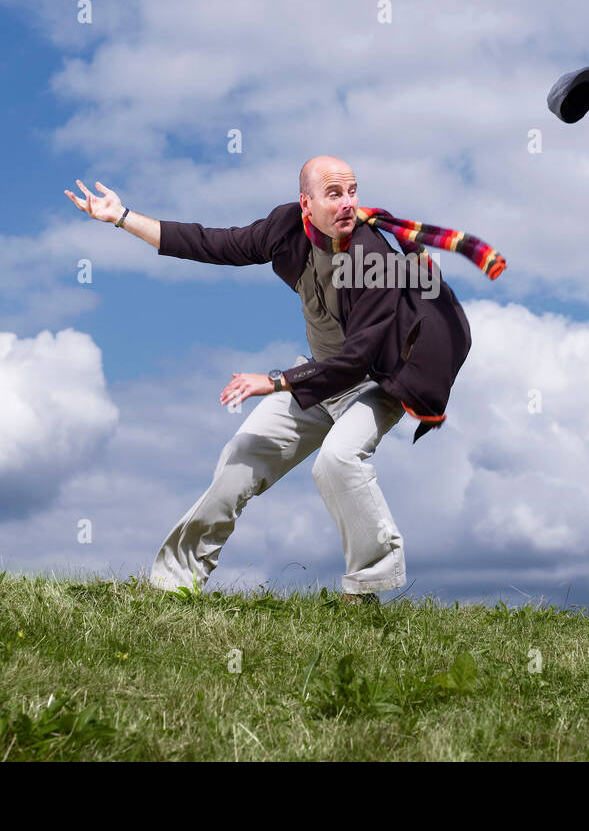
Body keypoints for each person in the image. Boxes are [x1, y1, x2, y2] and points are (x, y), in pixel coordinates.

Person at [64, 155, 502, 604]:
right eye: (334, 194)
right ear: (305, 204)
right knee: (240, 456)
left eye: (352, 192)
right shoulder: (285, 229)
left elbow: (356, 360)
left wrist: (274, 382)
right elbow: (214, 243)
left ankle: (367, 586)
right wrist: (121, 216)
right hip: (315, 374)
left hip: (374, 382)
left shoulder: (373, 258)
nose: (348, 203)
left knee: (337, 461)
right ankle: (175, 581)